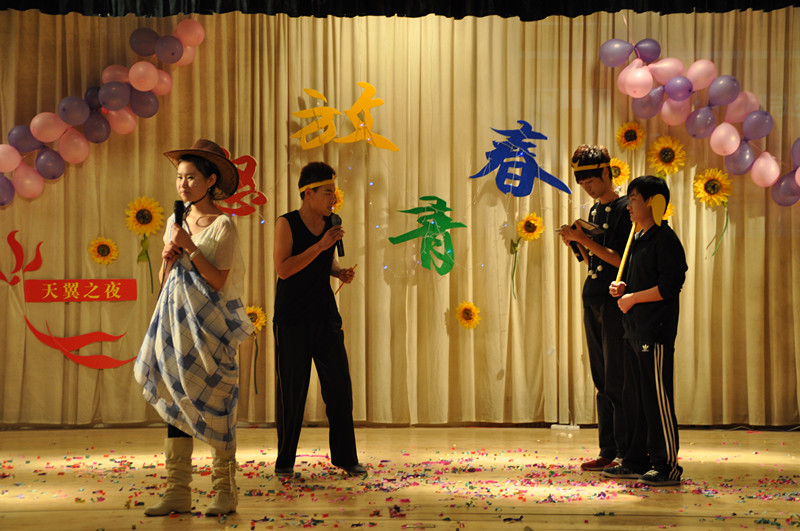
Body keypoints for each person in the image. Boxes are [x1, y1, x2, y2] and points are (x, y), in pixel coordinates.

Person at [134, 138, 254, 516]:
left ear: (210, 180)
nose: (183, 185)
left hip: (209, 327)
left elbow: (218, 281)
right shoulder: (175, 222)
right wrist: (168, 256)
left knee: (216, 402)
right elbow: (164, 278)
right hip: (175, 322)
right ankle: (177, 490)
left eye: (191, 177)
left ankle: (224, 490)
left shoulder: (223, 225)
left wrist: (190, 246)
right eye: (179, 177)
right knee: (177, 400)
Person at [272, 161, 366, 478]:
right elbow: (283, 269)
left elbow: (327, 261)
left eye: (334, 192)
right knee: (292, 393)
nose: (333, 198)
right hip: (292, 318)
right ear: (308, 193)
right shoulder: (286, 223)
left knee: (340, 389)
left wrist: (340, 271)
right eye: (327, 192)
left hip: (325, 315)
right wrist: (320, 245)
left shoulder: (332, 222)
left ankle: (346, 458)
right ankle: (285, 462)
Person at [606, 175, 687, 486]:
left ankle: (667, 465)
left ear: (654, 203)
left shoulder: (665, 240)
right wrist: (622, 289)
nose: (629, 206)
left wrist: (633, 298)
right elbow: (638, 282)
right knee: (635, 399)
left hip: (654, 332)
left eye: (634, 199)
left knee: (656, 399)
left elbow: (669, 287)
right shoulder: (637, 239)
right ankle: (636, 459)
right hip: (633, 330)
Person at [559, 144, 631, 472]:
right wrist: (577, 243)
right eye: (581, 182)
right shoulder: (593, 212)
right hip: (593, 297)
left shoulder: (626, 208)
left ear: (606, 172)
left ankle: (626, 451)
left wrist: (585, 241)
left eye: (590, 180)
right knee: (601, 378)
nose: (586, 187)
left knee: (617, 377)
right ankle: (608, 449)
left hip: (615, 301)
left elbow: (620, 261)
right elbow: (596, 263)